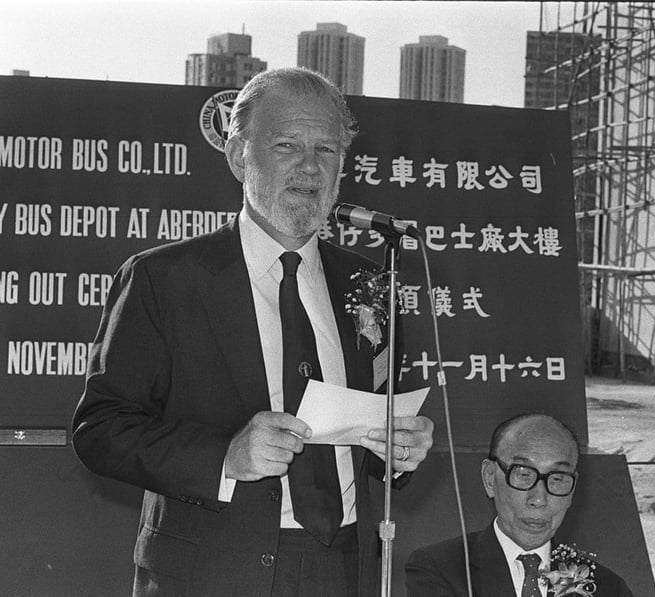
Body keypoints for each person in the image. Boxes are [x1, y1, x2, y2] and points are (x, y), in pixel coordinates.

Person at [71, 67, 434, 597]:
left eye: (327, 150)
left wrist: (398, 449)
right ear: (240, 157)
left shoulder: (369, 284)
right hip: (210, 571)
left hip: (345, 568)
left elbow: (370, 426)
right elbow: (100, 430)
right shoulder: (163, 278)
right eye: (287, 145)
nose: (310, 167)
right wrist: (226, 456)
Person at [405, 413, 633, 597]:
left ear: (572, 489)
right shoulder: (439, 569)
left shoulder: (607, 588)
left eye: (558, 479)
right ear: (489, 478)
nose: (539, 499)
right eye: (523, 474)